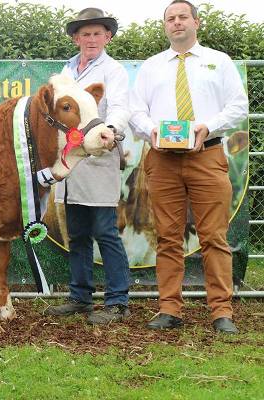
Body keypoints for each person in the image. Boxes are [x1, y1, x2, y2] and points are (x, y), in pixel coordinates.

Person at [129, 0, 248, 333]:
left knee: (214, 237)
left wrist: (206, 126)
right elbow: (136, 110)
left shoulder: (219, 62)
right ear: (165, 26)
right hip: (162, 160)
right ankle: (169, 309)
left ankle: (221, 311)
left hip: (207, 157)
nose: (177, 23)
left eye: (183, 17)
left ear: (196, 22)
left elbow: (238, 106)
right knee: (167, 238)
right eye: (171, 19)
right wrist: (149, 129)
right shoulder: (151, 67)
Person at [44, 8, 131, 325]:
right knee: (76, 234)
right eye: (85, 33)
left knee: (105, 232)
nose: (91, 39)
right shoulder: (64, 73)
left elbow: (121, 108)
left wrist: (111, 130)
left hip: (98, 157)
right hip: (69, 164)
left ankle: (118, 301)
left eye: (97, 33)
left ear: (107, 37)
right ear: (75, 38)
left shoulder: (114, 71)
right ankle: (80, 297)